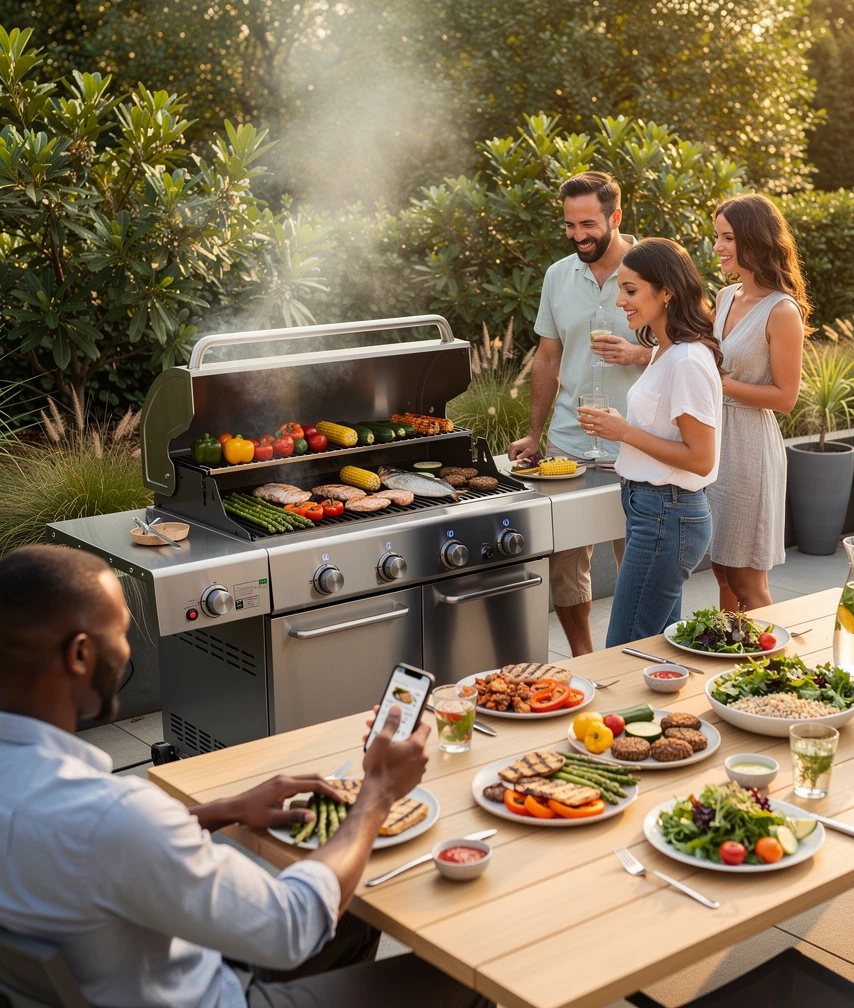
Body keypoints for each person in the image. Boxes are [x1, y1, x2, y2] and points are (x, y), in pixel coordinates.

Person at [0, 544, 493, 1008]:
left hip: (130, 976)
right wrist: (378, 793)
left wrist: (222, 810)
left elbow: (90, 846)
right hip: (217, 994)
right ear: (81, 655)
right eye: (121, 632)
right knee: (469, 974)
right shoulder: (116, 818)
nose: (127, 650)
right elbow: (291, 926)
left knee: (353, 908)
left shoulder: (60, 802)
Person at [508, 170, 651, 655]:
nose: (577, 236)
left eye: (588, 224)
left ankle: (635, 660)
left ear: (615, 217)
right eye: (570, 226)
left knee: (638, 565)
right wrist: (534, 434)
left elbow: (690, 346)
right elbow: (548, 358)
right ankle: (585, 660)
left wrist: (637, 355)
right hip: (568, 443)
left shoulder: (654, 267)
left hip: (637, 444)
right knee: (565, 567)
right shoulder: (557, 276)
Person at [576, 238, 723, 647]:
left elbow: (700, 457)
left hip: (667, 514)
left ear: (667, 292)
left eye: (631, 289)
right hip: (654, 511)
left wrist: (623, 432)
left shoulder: (688, 360)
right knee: (654, 650)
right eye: (620, 288)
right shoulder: (663, 350)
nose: (620, 300)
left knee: (625, 649)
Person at [706, 193, 809, 612]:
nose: (718, 247)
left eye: (728, 237)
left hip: (750, 447)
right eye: (717, 236)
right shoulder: (725, 296)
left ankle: (771, 673)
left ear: (755, 239)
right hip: (712, 443)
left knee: (746, 576)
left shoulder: (782, 311)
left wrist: (719, 384)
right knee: (720, 568)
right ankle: (731, 665)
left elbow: (786, 398)